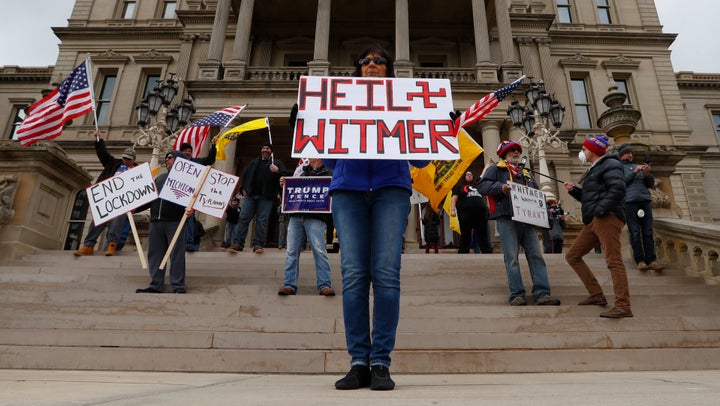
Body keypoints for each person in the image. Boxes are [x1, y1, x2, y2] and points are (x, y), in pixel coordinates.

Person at [308, 45, 430, 391]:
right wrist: (311, 124)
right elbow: (330, 162)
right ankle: (358, 361)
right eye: (366, 61)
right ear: (358, 69)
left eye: (380, 61)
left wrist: (437, 129)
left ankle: (381, 362)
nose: (373, 65)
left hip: (392, 189)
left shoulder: (406, 103)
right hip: (348, 190)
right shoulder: (339, 103)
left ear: (389, 70)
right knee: (354, 275)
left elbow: (421, 162)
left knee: (387, 273)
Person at [477, 140, 561, 307]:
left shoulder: (526, 173)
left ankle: (542, 294)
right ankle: (517, 295)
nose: (516, 153)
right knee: (512, 258)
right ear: (504, 154)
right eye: (511, 151)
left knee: (536, 256)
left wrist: (547, 218)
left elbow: (537, 194)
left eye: (517, 150)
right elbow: (483, 187)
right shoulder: (496, 169)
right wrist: (501, 188)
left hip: (527, 220)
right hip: (507, 218)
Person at [564, 135, 632, 318]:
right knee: (573, 256)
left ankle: (623, 305)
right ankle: (596, 294)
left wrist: (601, 211)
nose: (582, 152)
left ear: (593, 151)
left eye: (585, 149)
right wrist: (574, 191)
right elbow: (593, 197)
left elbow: (618, 189)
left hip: (606, 218)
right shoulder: (597, 168)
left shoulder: (610, 164)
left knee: (613, 261)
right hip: (594, 220)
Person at [135, 150, 192, 294]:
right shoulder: (159, 179)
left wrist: (191, 211)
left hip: (175, 221)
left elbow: (194, 199)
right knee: (155, 255)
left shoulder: (187, 180)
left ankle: (178, 285)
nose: (166, 160)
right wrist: (134, 209)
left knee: (176, 255)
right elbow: (150, 198)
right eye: (166, 157)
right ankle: (156, 284)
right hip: (156, 221)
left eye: (170, 157)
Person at [277, 158, 335, 296]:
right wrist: (285, 185)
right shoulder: (302, 174)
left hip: (316, 217)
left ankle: (324, 284)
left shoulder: (330, 174)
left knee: (319, 250)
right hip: (296, 216)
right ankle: (289, 284)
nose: (308, 157)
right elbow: (293, 191)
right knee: (291, 251)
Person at [74, 133, 137, 257]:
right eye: (124, 158)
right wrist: (99, 140)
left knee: (117, 222)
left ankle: (111, 245)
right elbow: (102, 153)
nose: (126, 160)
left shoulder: (137, 171)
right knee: (97, 221)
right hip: (106, 198)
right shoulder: (113, 163)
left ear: (133, 160)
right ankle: (88, 246)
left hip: (123, 201)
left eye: (129, 159)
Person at [229, 142, 286, 254]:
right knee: (244, 218)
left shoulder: (277, 163)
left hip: (266, 197)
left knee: (262, 221)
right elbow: (245, 176)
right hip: (250, 196)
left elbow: (284, 177)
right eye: (263, 148)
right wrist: (243, 189)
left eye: (268, 148)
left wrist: (278, 171)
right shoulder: (253, 162)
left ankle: (258, 244)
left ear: (271, 151)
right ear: (261, 150)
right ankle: (238, 243)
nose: (265, 150)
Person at [618, 143, 664, 272]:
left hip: (645, 200)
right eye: (628, 153)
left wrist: (648, 173)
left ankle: (652, 260)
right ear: (622, 155)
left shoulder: (637, 166)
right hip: (630, 202)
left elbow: (649, 184)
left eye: (631, 153)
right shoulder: (619, 168)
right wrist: (635, 172)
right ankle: (640, 261)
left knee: (648, 232)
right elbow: (622, 183)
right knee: (635, 232)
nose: (631, 155)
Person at [180, 141, 218, 252]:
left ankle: (189, 243)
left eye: (189, 151)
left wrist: (213, 146)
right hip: (176, 196)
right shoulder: (176, 164)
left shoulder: (197, 163)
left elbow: (210, 160)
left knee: (190, 220)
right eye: (185, 151)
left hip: (190, 197)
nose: (187, 153)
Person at [450, 171, 492, 254]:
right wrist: (452, 210)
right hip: (465, 213)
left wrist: (488, 165)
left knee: (483, 234)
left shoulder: (478, 185)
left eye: (471, 174)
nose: (469, 175)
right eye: (467, 174)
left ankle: (487, 252)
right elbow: (454, 198)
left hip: (480, 213)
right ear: (464, 177)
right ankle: (463, 252)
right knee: (465, 234)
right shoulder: (459, 187)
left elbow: (482, 175)